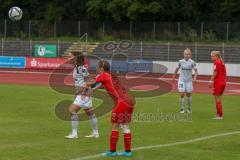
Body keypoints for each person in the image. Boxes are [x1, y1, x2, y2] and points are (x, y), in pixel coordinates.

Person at [86, 60, 134, 157]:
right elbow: (105, 85)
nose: (96, 69)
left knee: (115, 126)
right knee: (125, 126)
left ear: (102, 68)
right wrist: (94, 89)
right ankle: (128, 152)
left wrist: (83, 88)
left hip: (120, 103)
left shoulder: (103, 75)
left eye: (98, 67)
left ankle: (112, 151)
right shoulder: (111, 75)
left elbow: (90, 82)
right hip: (129, 102)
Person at [65, 51, 99, 139]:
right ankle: (95, 133)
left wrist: (84, 90)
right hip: (83, 93)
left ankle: (74, 134)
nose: (68, 58)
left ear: (75, 58)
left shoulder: (80, 68)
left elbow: (91, 80)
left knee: (72, 111)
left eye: (70, 56)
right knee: (89, 113)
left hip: (83, 94)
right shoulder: (77, 67)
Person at [173, 48, 198, 113]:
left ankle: (189, 108)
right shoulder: (180, 61)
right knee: (182, 94)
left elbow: (196, 70)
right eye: (185, 54)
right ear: (183, 54)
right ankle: (182, 108)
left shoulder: (192, 62)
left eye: (188, 54)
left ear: (190, 55)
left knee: (189, 94)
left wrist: (195, 77)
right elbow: (177, 69)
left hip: (189, 81)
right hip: (181, 80)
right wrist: (174, 76)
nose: (186, 55)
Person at [209, 51, 226, 120]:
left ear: (216, 56)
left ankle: (219, 115)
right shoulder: (221, 62)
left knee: (217, 98)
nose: (211, 57)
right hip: (223, 82)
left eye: (212, 56)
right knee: (218, 98)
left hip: (218, 82)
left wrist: (211, 81)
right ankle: (219, 114)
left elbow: (215, 72)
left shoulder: (216, 62)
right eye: (211, 56)